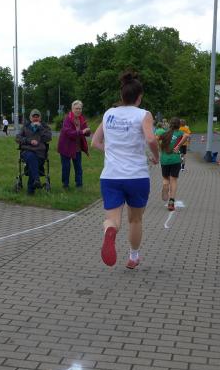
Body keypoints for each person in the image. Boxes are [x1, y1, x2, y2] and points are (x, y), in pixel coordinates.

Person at [91, 70, 159, 270]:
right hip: (136, 176)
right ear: (140, 97)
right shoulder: (144, 114)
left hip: (111, 176)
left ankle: (109, 231)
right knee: (135, 219)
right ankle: (133, 257)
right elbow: (151, 138)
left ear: (121, 95)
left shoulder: (108, 114)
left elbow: (95, 142)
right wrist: (156, 156)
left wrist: (113, 150)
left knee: (112, 219)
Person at [16, 109, 52, 195]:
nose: (35, 118)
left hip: (40, 152)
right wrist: (29, 141)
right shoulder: (26, 126)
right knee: (31, 157)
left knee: (33, 163)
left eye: (37, 117)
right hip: (27, 151)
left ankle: (32, 188)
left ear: (40, 118)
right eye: (34, 116)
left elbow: (48, 138)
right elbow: (17, 138)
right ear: (30, 118)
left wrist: (40, 128)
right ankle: (36, 181)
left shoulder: (44, 127)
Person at [57, 100, 90, 189]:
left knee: (78, 167)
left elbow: (85, 132)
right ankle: (65, 185)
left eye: (80, 108)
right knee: (66, 167)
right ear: (72, 109)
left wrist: (87, 132)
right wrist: (82, 132)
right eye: (76, 108)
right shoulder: (67, 119)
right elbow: (69, 133)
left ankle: (79, 185)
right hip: (66, 147)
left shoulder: (82, 119)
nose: (78, 110)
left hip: (77, 147)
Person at [159, 118, 185, 211]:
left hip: (164, 160)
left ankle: (165, 186)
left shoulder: (164, 133)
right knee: (173, 180)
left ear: (170, 124)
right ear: (179, 125)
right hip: (175, 160)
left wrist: (159, 147)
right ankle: (171, 201)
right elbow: (187, 135)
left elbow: (155, 138)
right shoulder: (180, 133)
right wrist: (178, 145)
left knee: (166, 179)